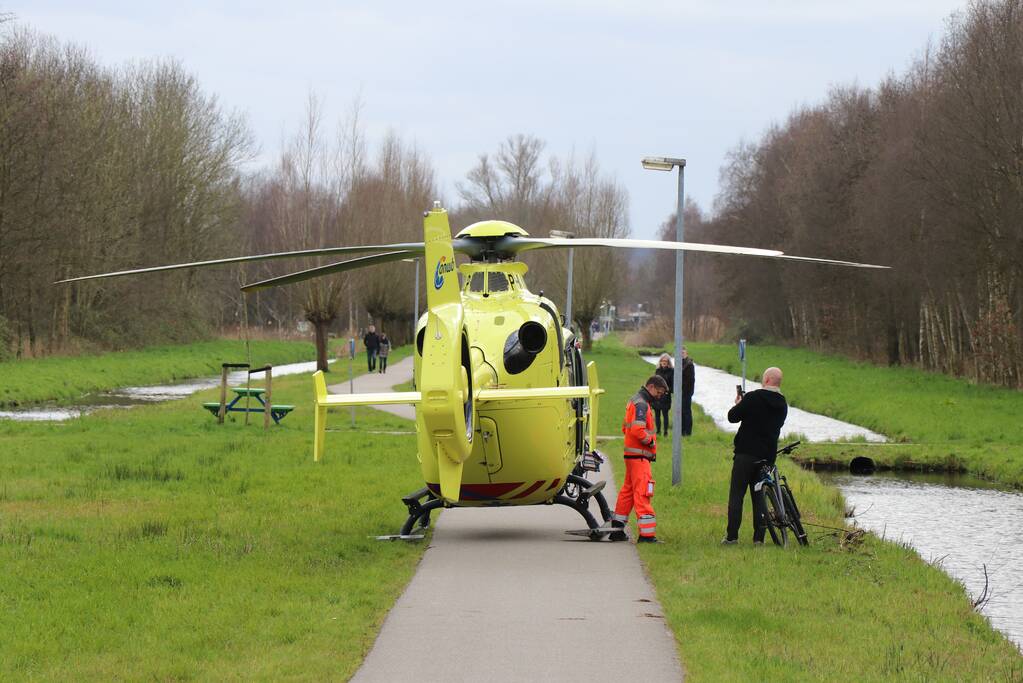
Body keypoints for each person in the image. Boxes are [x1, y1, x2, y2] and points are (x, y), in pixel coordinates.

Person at [722, 366, 788, 545]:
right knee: (760, 498)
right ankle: (759, 538)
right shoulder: (782, 404)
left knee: (737, 495)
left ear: (766, 380)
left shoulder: (753, 397)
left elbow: (732, 417)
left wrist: (738, 404)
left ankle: (732, 537)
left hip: (745, 454)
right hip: (766, 456)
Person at [609, 375, 669, 543]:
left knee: (627, 492)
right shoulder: (642, 404)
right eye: (659, 391)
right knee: (643, 492)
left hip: (632, 455)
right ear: (651, 387)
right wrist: (649, 442)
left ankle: (617, 529)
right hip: (640, 457)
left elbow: (624, 428)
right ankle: (647, 535)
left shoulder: (635, 401)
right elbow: (637, 430)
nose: (660, 395)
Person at [652, 354, 673, 435]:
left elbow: (672, 385)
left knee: (665, 414)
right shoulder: (657, 371)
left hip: (666, 396)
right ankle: (658, 431)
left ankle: (665, 432)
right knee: (657, 414)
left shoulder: (671, 371)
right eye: (662, 361)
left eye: (665, 361)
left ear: (668, 362)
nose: (664, 362)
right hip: (657, 396)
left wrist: (668, 391)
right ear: (660, 362)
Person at [680, 346, 695, 436]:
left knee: (686, 412)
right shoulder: (680, 363)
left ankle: (688, 432)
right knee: (681, 412)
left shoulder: (689, 364)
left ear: (686, 353)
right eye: (680, 353)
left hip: (686, 392)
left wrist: (687, 392)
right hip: (681, 392)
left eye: (683, 353)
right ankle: (682, 431)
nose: (682, 354)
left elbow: (691, 380)